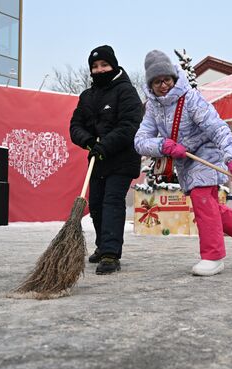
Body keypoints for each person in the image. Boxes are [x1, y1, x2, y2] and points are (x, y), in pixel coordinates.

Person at [134, 50, 232, 276]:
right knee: (209, 207)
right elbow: (140, 141)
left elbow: (219, 130)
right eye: (156, 82)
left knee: (203, 200)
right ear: (150, 85)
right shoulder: (152, 108)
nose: (163, 85)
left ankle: (214, 257)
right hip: (185, 162)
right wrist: (164, 146)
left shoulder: (190, 98)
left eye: (167, 79)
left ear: (174, 78)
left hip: (205, 154)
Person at [70, 45, 143, 275]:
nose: (100, 70)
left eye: (104, 65)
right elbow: (75, 126)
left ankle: (111, 254)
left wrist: (105, 145)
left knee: (112, 202)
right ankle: (102, 246)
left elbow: (130, 126)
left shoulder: (126, 92)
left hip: (121, 158)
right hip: (98, 159)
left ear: (114, 65)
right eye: (95, 66)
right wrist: (89, 141)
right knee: (97, 205)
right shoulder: (87, 96)